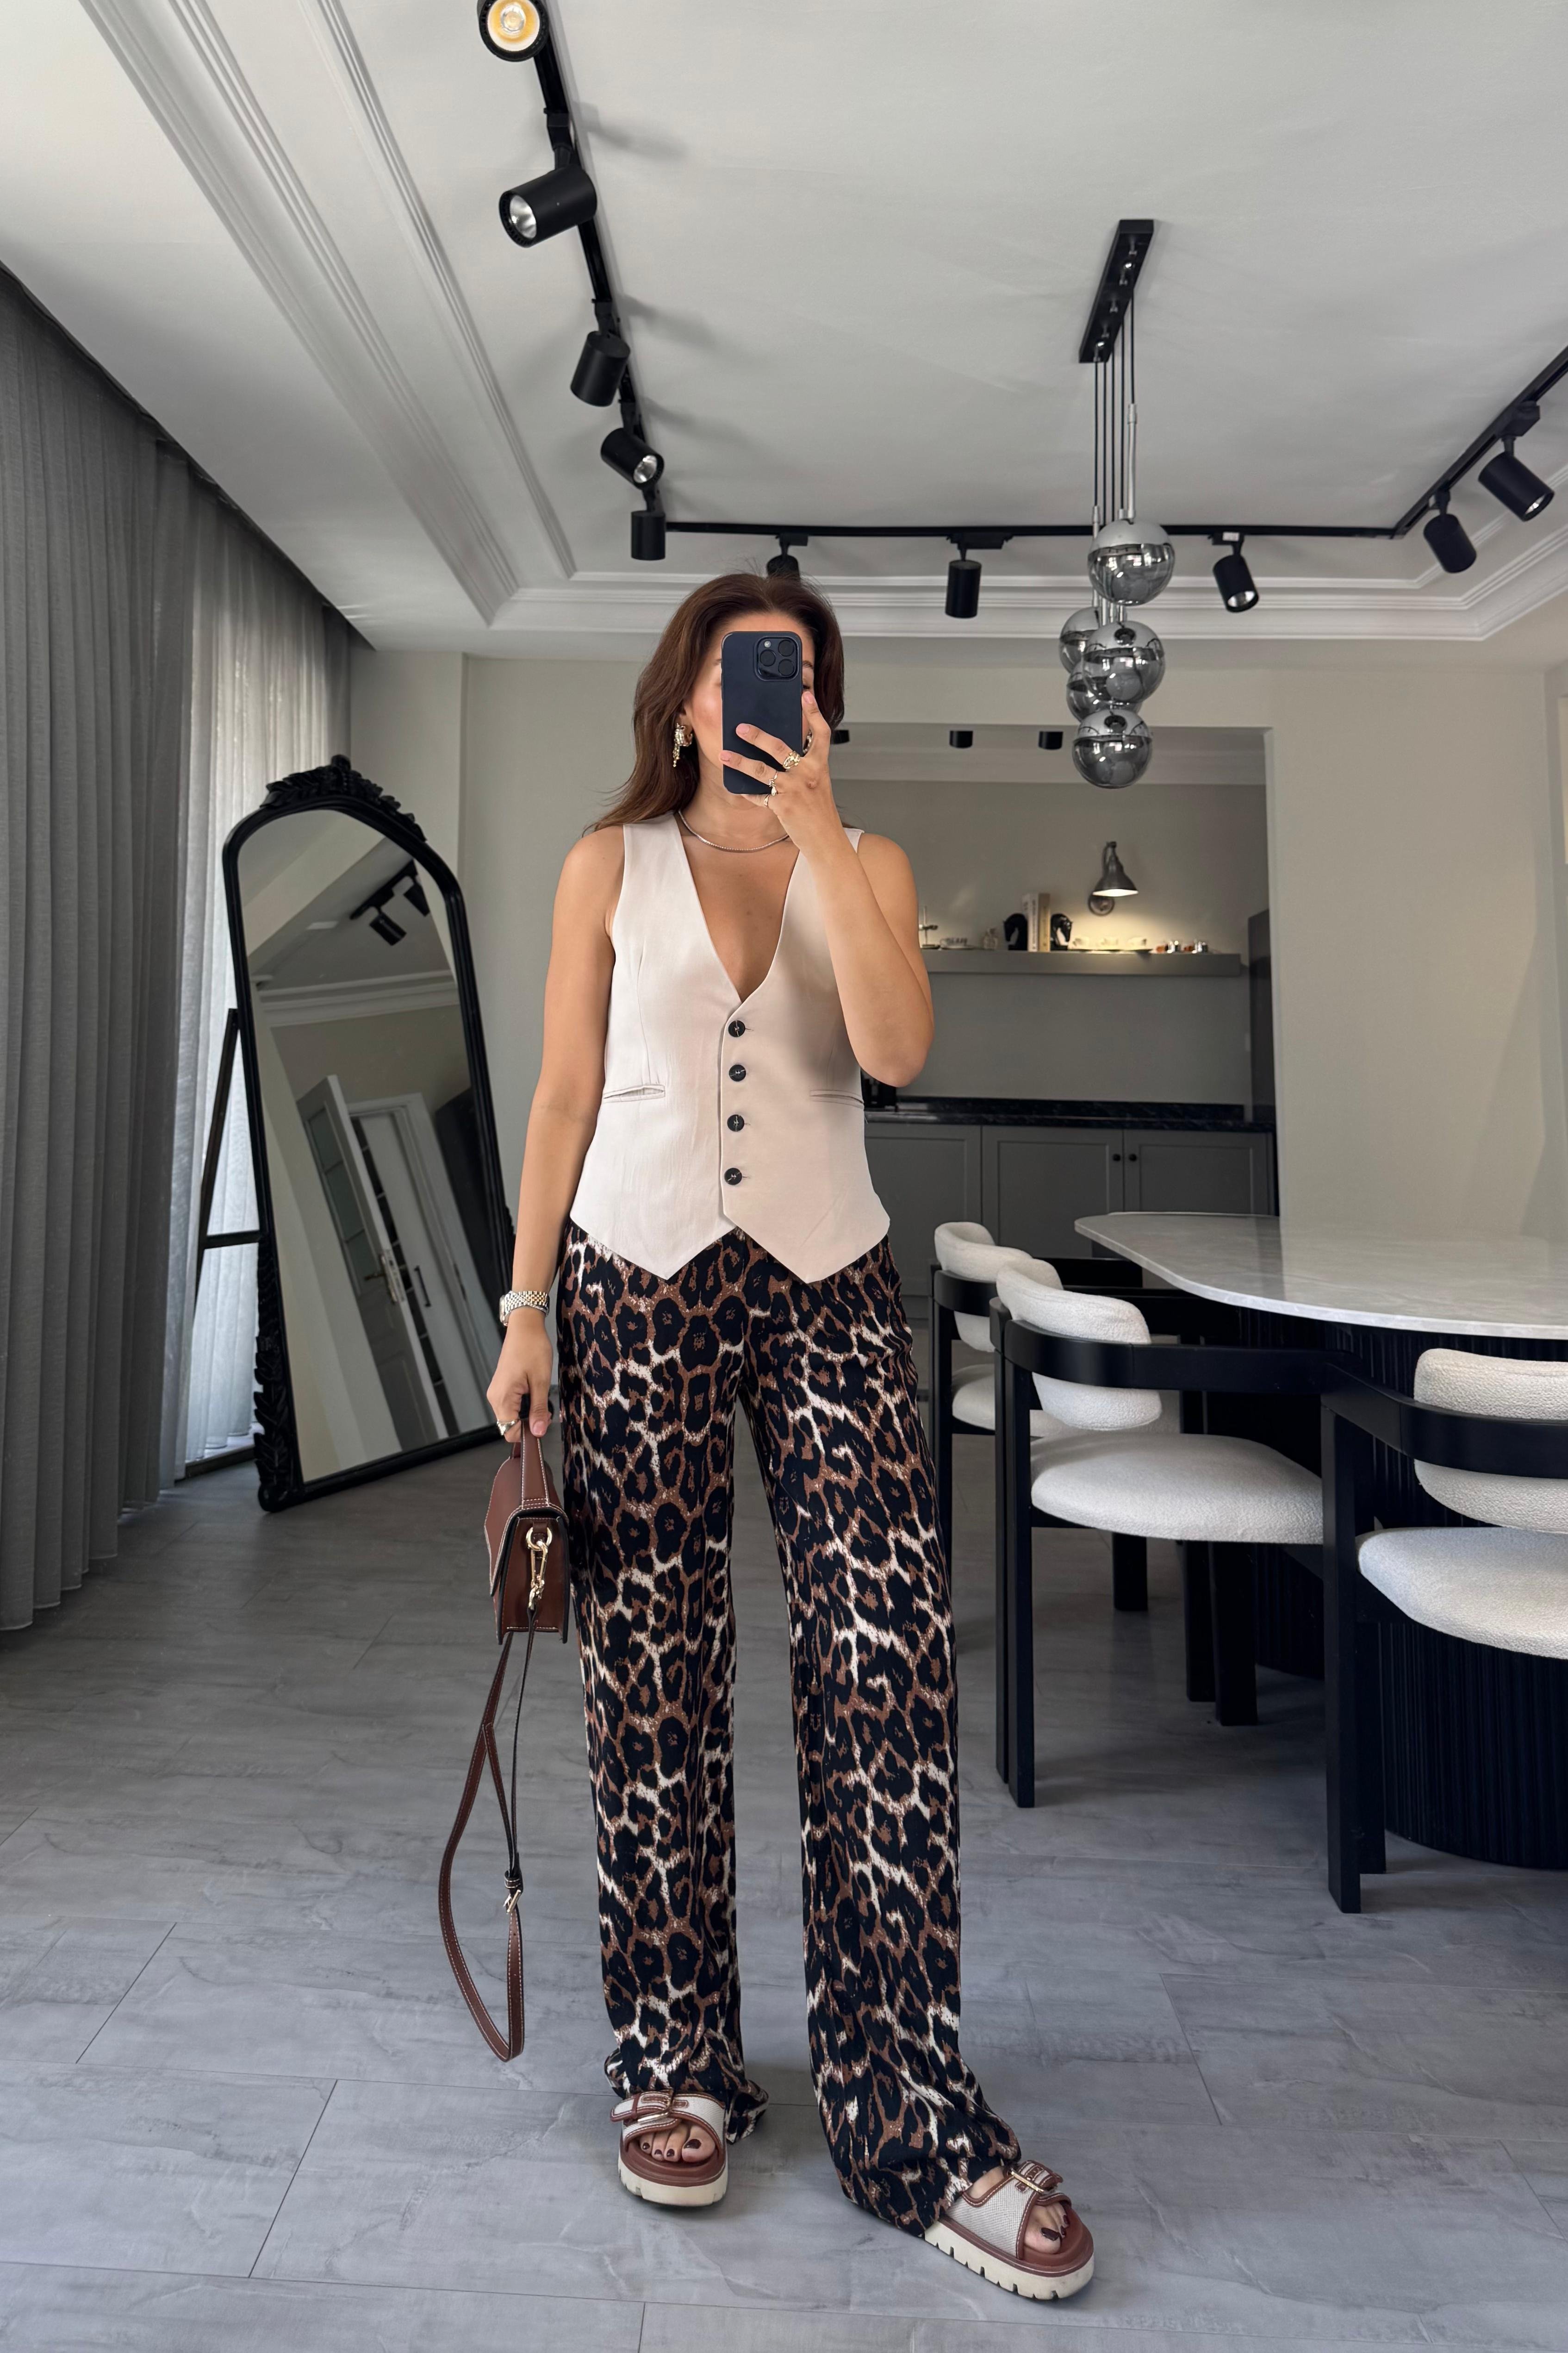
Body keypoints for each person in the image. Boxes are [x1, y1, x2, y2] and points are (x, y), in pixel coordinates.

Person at [486, 572, 1093, 2303]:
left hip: (829, 1279)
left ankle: (909, 2114)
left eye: (804, 675)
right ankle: (674, 2059)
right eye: (747, 670)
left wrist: (820, 833)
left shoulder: (868, 860)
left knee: (885, 1665)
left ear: (823, 705)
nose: (775, 694)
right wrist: (523, 1309)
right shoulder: (605, 864)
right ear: (684, 695)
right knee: (650, 1674)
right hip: (633, 1276)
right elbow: (563, 1092)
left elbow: (892, 1050)